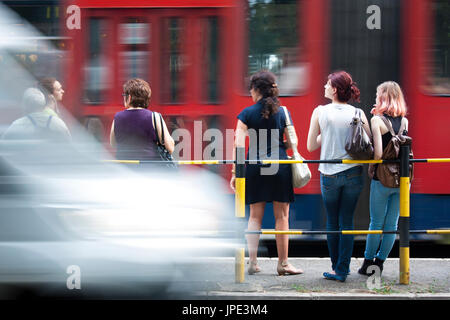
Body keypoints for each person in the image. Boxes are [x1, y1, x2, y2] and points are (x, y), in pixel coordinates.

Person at [230, 70, 303, 276]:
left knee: (254, 217)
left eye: (250, 90)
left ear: (256, 90)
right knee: (282, 216)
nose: (250, 94)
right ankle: (283, 264)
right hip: (279, 165)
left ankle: (252, 263)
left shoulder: (246, 113)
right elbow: (292, 142)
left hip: (254, 166)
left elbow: (238, 145)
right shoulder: (283, 112)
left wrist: (236, 172)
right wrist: (279, 144)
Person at [306, 71, 371, 282]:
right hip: (353, 173)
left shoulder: (320, 112)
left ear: (334, 89)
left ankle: (337, 269)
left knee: (332, 222)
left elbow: (310, 146)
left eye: (327, 84)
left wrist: (326, 132)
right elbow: (367, 141)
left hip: (329, 175)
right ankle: (343, 268)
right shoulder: (358, 113)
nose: (324, 86)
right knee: (347, 221)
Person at [358, 81, 408, 276]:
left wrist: (372, 168)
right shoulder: (404, 121)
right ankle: (379, 264)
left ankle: (367, 264)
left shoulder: (377, 121)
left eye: (378, 95)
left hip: (383, 179)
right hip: (401, 179)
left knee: (376, 223)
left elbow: (378, 153)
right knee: (392, 225)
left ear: (383, 97)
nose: (375, 97)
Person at [110, 78, 174, 161]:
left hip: (124, 169)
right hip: (148, 170)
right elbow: (170, 148)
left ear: (129, 98)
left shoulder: (117, 117)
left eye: (124, 96)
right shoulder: (155, 117)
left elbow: (113, 144)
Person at [2, 87, 71, 141]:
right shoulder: (58, 123)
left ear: (25, 106)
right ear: (43, 105)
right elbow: (69, 143)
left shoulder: (17, 125)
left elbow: (4, 144)